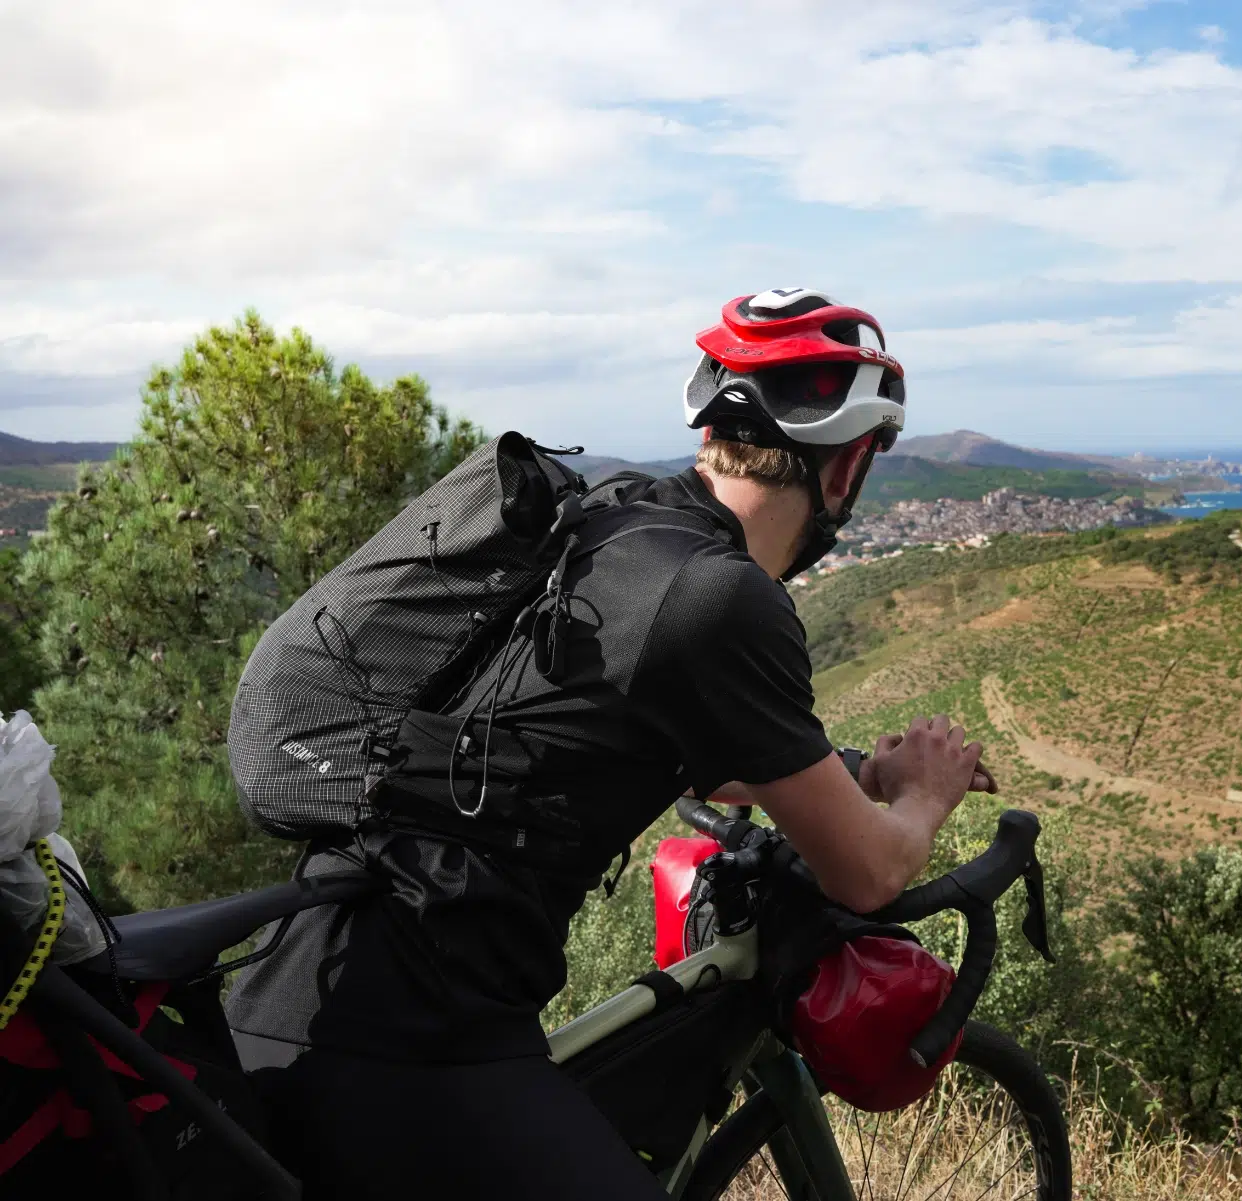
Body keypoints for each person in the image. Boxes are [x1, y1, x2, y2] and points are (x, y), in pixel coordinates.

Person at [226, 288, 990, 1200]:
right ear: (846, 464)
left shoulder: (613, 517)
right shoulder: (720, 596)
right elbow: (866, 876)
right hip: (416, 1036)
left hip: (297, 976)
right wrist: (925, 794)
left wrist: (854, 772)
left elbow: (632, 734)